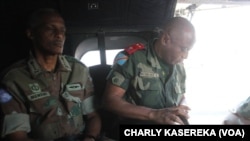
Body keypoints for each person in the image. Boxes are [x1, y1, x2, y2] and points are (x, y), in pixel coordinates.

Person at [0, 8, 102, 141]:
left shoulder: (79, 69)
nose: (59, 35)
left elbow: (93, 116)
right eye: (50, 29)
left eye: (63, 30)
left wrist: (90, 137)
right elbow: (17, 136)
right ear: (31, 34)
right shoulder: (13, 79)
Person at [102, 16, 196, 138]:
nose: (186, 56)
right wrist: (153, 114)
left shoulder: (179, 66)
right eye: (183, 49)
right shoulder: (132, 58)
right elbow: (109, 100)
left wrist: (181, 107)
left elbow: (181, 96)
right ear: (166, 39)